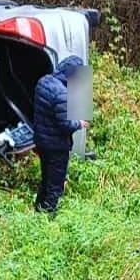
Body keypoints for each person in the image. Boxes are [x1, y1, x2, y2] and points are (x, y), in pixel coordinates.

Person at [32, 56, 89, 213]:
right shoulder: (62, 94)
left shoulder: (44, 82)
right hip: (56, 147)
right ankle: (48, 219)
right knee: (55, 186)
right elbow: (65, 125)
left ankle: (37, 211)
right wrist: (79, 123)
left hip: (42, 142)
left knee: (46, 180)